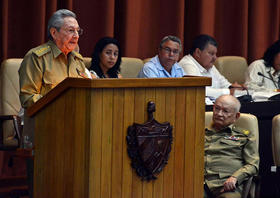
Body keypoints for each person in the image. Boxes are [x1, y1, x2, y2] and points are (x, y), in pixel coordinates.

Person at [19, 9, 91, 109]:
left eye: (78, 31)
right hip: (45, 120)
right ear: (54, 32)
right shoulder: (37, 58)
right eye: (71, 30)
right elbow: (27, 98)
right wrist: (61, 103)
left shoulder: (77, 60)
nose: (76, 36)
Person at [204, 95, 259, 198]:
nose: (219, 114)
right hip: (199, 183)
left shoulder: (244, 136)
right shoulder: (199, 133)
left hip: (226, 185)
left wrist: (235, 178)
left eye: (225, 111)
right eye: (217, 108)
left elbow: (253, 165)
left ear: (236, 116)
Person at [178, 34, 244, 99]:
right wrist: (228, 91)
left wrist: (234, 87)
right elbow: (200, 91)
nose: (215, 58)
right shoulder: (187, 64)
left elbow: (225, 84)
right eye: (211, 54)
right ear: (198, 52)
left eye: (215, 54)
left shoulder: (208, 65)